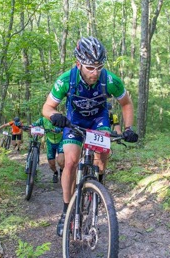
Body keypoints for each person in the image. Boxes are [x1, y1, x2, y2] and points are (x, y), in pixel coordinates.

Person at [42, 36, 139, 237]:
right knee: (70, 162)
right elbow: (47, 107)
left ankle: (99, 185)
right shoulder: (65, 80)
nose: (95, 73)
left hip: (99, 121)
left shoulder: (110, 80)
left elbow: (126, 104)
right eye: (89, 68)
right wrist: (55, 116)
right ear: (78, 64)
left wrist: (128, 128)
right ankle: (65, 210)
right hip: (74, 121)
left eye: (99, 67)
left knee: (102, 157)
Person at [31, 117, 65, 183]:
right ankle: (55, 173)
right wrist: (31, 126)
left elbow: (66, 127)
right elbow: (34, 124)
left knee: (61, 161)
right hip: (50, 142)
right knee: (51, 164)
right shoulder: (42, 119)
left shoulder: (60, 118)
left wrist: (60, 129)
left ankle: (62, 171)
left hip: (60, 141)